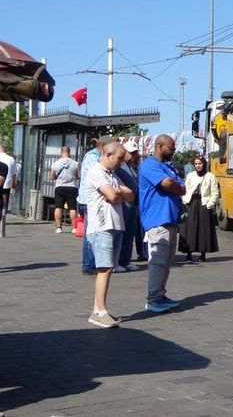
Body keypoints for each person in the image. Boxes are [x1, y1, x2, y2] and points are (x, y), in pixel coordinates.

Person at [84, 142, 135, 328]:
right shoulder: (96, 172)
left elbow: (131, 194)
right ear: (108, 155)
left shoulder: (112, 175)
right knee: (104, 269)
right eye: (120, 158)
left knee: (108, 269)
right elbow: (113, 197)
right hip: (101, 226)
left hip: (115, 224)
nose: (122, 162)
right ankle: (101, 312)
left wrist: (117, 191)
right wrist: (116, 194)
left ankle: (97, 310)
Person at [138, 135, 186, 313]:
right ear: (160, 147)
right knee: (158, 262)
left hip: (170, 221)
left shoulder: (168, 166)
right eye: (171, 148)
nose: (173, 151)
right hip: (157, 220)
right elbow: (167, 183)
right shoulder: (149, 165)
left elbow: (182, 187)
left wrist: (176, 186)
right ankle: (153, 299)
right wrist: (175, 186)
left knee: (166, 262)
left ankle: (160, 294)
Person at [77, 136, 114, 275]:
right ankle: (89, 264)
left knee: (92, 231)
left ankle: (92, 262)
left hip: (88, 199)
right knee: (91, 232)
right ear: (103, 146)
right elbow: (99, 178)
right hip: (88, 200)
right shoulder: (93, 158)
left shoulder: (93, 156)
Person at [179, 156, 220, 263]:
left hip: (204, 204)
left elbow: (215, 192)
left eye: (200, 163)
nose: (198, 166)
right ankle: (188, 253)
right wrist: (184, 200)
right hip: (191, 203)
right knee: (189, 229)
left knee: (203, 229)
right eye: (196, 164)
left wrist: (209, 204)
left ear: (204, 164)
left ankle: (203, 254)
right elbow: (185, 189)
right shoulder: (191, 175)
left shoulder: (210, 176)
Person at [114, 142, 141, 272]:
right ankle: (117, 261)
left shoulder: (132, 166)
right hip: (125, 203)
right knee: (122, 234)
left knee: (130, 234)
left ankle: (125, 260)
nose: (134, 155)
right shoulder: (119, 166)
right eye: (131, 153)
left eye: (135, 153)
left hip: (133, 203)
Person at [50, 146, 80, 233]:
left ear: (61, 152)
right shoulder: (75, 163)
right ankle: (74, 228)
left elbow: (52, 177)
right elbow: (78, 176)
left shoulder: (55, 164)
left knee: (58, 207)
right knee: (72, 208)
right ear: (69, 152)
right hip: (72, 187)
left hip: (59, 187)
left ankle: (59, 228)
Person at [0, 144, 17, 237]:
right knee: (4, 203)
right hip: (6, 184)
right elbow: (14, 173)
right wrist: (14, 183)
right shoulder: (11, 159)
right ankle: (3, 218)